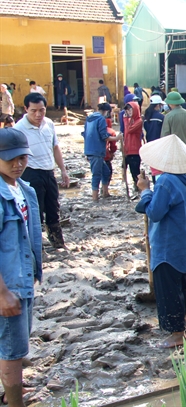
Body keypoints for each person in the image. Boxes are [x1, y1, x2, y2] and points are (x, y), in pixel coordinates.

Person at [135, 135, 186, 349]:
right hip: (183, 242)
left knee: (168, 289)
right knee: (181, 281)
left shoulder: (165, 181)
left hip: (168, 244)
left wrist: (145, 191)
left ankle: (176, 332)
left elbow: (155, 212)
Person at [0, 129, 42, 407]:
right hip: (8, 283)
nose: (18, 164)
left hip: (22, 277)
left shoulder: (24, 189)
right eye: (10, 159)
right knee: (13, 349)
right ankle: (13, 401)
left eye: (22, 158)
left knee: (15, 342)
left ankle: (11, 386)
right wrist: (2, 292)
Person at [14, 93, 69, 248]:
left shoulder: (49, 124)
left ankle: (57, 243)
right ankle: (36, 248)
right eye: (33, 111)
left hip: (48, 171)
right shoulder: (19, 129)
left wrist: (63, 171)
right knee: (34, 211)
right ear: (26, 109)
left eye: (42, 110)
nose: (38, 114)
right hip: (30, 173)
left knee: (53, 207)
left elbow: (55, 147)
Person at [82, 103, 122, 201]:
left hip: (90, 149)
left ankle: (105, 192)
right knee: (96, 174)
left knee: (106, 171)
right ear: (107, 111)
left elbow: (84, 134)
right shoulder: (100, 119)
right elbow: (104, 136)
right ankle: (95, 198)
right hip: (97, 151)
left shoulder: (89, 119)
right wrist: (117, 138)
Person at [123, 101, 143, 190]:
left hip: (135, 151)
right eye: (127, 110)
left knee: (135, 172)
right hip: (127, 150)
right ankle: (135, 188)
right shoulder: (129, 120)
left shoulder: (139, 121)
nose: (129, 112)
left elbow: (129, 130)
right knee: (128, 171)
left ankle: (140, 188)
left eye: (130, 109)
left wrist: (125, 120)